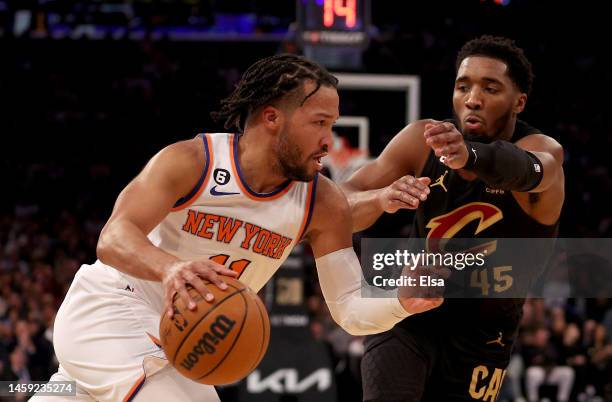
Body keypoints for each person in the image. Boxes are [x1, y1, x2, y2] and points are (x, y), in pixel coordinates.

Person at [30, 54, 442, 402]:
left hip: (183, 339)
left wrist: (399, 303)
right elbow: (113, 238)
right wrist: (170, 268)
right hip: (112, 309)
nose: (328, 140)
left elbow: (349, 306)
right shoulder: (193, 161)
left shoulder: (322, 201)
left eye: (331, 126)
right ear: (272, 118)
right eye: (319, 123)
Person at [341, 36, 565, 401]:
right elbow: (341, 204)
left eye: (490, 88)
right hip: (409, 312)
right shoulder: (421, 138)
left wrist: (470, 157)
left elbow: (530, 170)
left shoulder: (542, 150)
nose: (473, 99)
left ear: (518, 102)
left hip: (484, 335)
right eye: (463, 87)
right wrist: (380, 198)